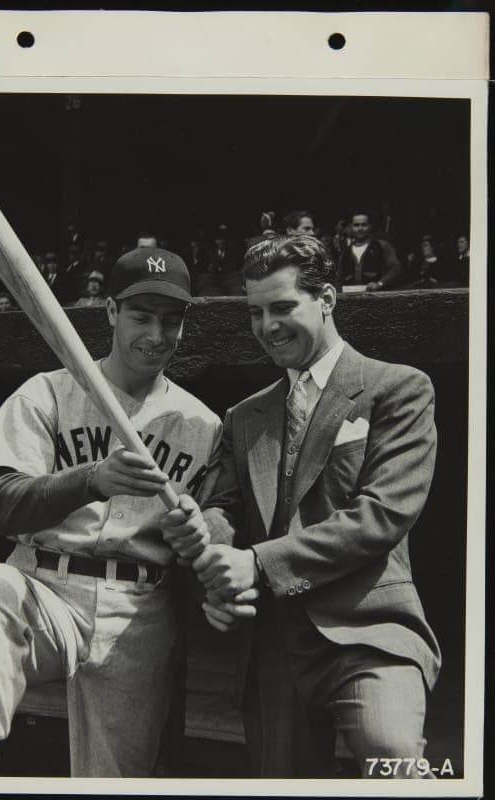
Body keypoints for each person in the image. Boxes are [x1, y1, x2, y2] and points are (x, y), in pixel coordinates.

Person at [0, 247, 223, 778]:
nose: (156, 335)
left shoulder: (202, 424)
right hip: (44, 587)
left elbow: (213, 536)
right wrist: (89, 480)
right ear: (111, 311)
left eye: (171, 320)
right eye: (141, 317)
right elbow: (5, 506)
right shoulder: (47, 392)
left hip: (140, 607)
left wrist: (196, 534)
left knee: (114, 779)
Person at [159, 235, 441, 778]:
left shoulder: (399, 389)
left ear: (327, 299)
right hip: (273, 645)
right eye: (256, 312)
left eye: (283, 307)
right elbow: (224, 510)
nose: (268, 326)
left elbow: (382, 515)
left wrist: (256, 564)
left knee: (396, 761)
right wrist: (207, 546)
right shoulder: (243, 417)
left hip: (369, 633)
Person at [337, 212, 401, 291]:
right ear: (351, 227)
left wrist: (379, 284)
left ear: (370, 227)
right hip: (350, 296)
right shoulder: (345, 252)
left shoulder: (382, 246)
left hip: (377, 295)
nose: (360, 228)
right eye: (356, 225)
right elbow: (339, 278)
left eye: (364, 225)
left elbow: (395, 269)